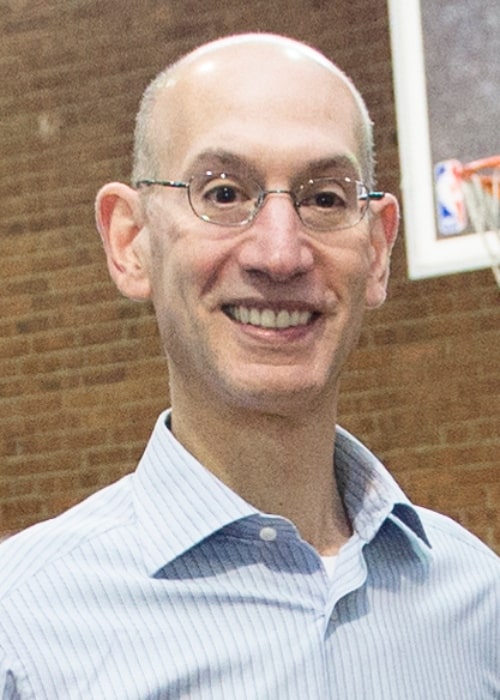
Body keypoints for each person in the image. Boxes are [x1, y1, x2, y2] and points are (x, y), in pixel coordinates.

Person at [0, 33, 498, 699]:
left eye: (325, 198)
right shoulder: (23, 632)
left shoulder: (476, 603)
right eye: (224, 192)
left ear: (378, 251)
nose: (280, 253)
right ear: (130, 240)